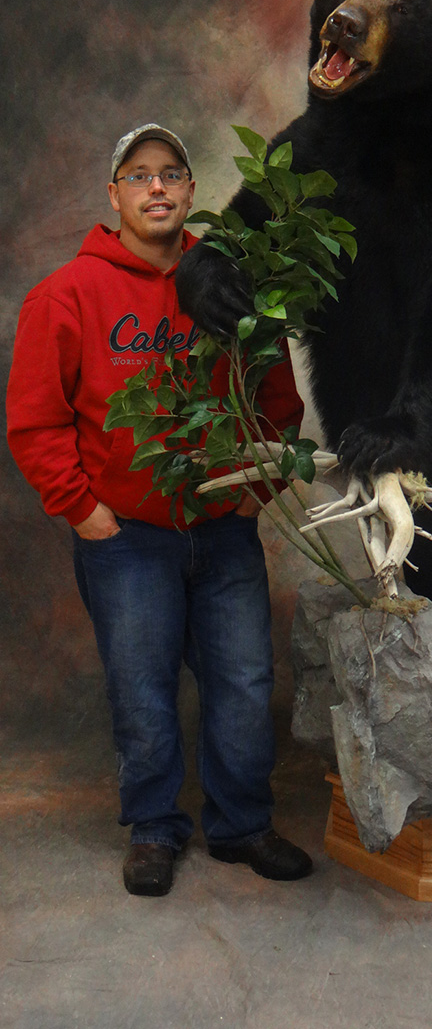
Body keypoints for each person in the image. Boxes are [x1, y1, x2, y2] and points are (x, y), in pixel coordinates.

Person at [6, 124, 313, 896]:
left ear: (190, 192)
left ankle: (242, 825)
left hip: (223, 529)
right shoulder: (66, 296)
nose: (156, 188)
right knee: (140, 686)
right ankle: (153, 828)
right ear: (114, 196)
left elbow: (279, 405)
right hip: (127, 538)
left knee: (244, 681)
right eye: (138, 176)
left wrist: (253, 489)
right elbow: (36, 423)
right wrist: (85, 512)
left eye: (170, 174)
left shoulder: (233, 288)